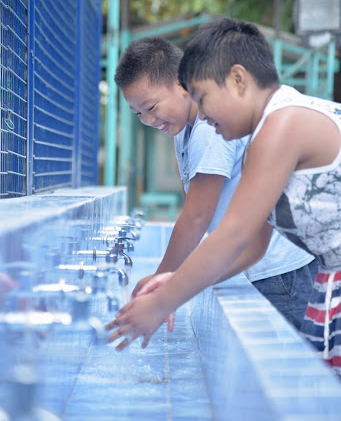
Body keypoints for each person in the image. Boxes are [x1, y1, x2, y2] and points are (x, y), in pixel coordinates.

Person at [107, 19, 341, 374]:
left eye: (202, 98)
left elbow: (232, 234)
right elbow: (252, 245)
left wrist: (161, 303)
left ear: (237, 79)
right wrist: (177, 281)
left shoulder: (283, 125)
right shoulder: (258, 142)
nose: (202, 114)